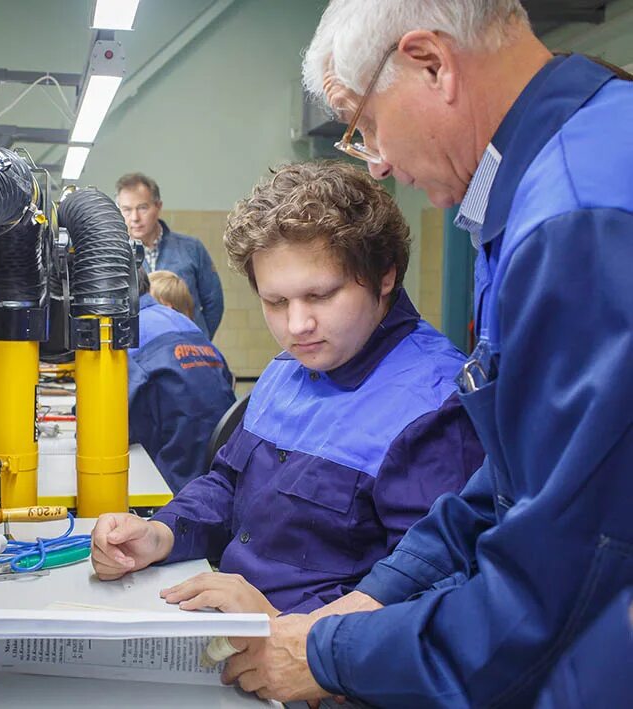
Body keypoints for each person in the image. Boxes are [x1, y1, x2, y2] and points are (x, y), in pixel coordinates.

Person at [223, 2, 633, 706]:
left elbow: (558, 580)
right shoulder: (548, 178)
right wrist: (362, 607)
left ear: (432, 63)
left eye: (368, 124)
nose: (377, 162)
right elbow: (510, 477)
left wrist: (328, 654)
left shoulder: (575, 216)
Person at [92, 162, 484, 618]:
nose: (297, 326)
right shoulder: (287, 369)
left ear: (385, 276)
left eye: (320, 296)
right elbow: (227, 486)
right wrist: (161, 534)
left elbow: (434, 598)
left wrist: (287, 630)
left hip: (320, 672)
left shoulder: (435, 405)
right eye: (275, 302)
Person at [129, 266, 235, 494]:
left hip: (173, 483)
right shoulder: (184, 323)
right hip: (222, 473)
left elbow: (100, 424)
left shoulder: (127, 331)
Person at [116, 173, 224, 337]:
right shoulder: (116, 257)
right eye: (126, 210)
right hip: (141, 350)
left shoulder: (191, 248)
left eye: (142, 208)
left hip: (188, 346)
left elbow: (214, 302)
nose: (135, 218)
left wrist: (200, 337)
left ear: (158, 206)